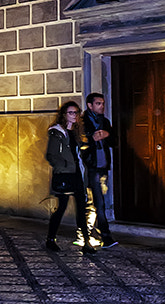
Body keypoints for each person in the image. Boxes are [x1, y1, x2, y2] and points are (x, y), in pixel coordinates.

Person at [44, 99, 93, 252]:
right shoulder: (57, 132)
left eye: (76, 112)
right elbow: (51, 155)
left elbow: (77, 152)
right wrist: (63, 167)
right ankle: (51, 239)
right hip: (65, 174)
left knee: (82, 208)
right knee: (62, 208)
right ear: (64, 115)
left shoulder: (77, 131)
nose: (74, 115)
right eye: (71, 113)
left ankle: (87, 242)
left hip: (77, 174)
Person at [79, 92, 117, 248]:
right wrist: (92, 140)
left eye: (103, 103)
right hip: (92, 167)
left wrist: (107, 134)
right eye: (98, 103)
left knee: (96, 202)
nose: (102, 106)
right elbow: (81, 145)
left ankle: (84, 234)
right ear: (90, 105)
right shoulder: (83, 122)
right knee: (97, 203)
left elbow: (114, 142)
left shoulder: (105, 122)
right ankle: (105, 236)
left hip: (103, 166)